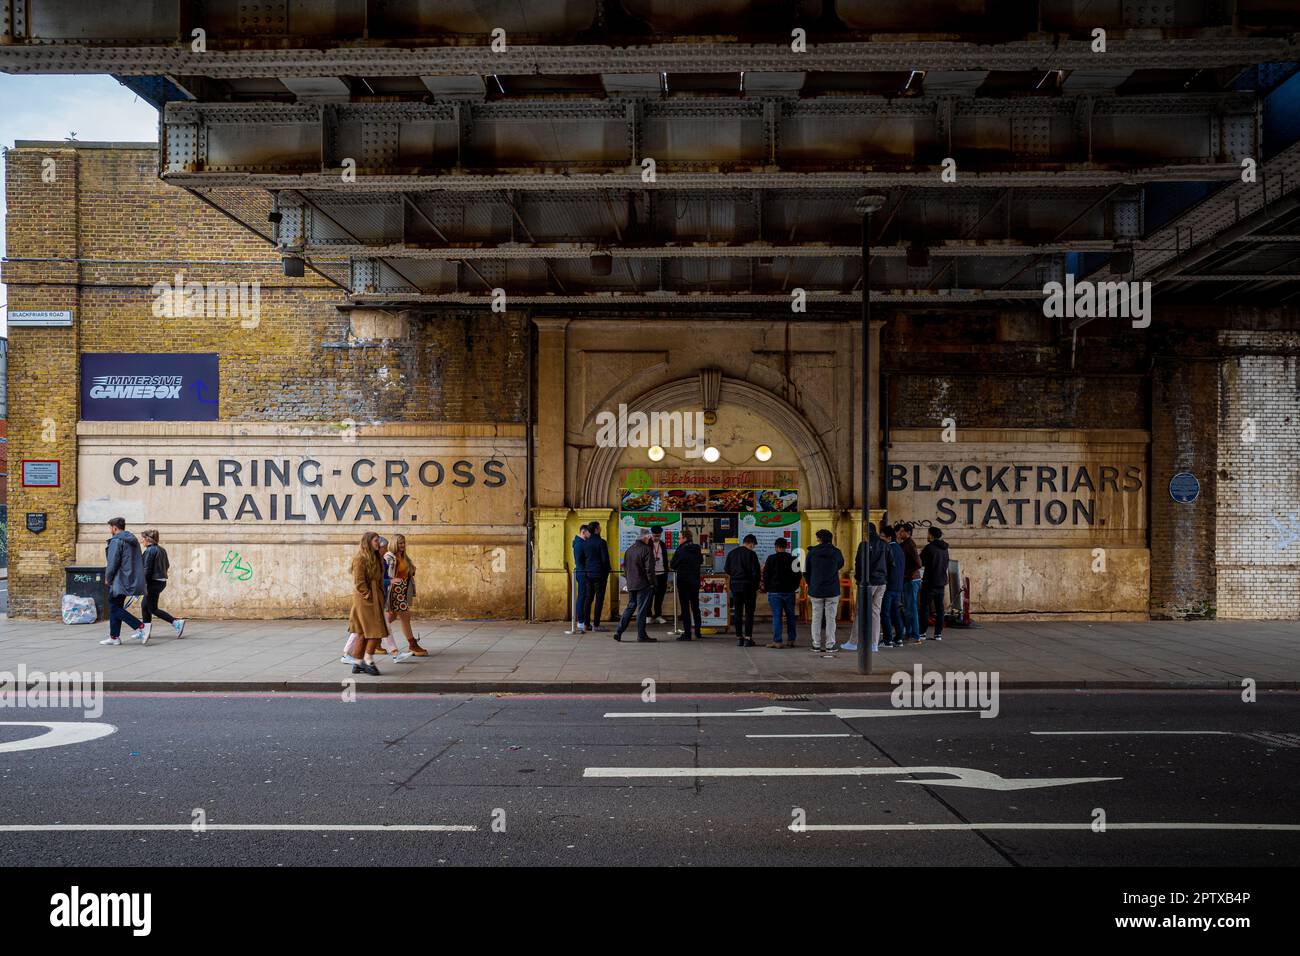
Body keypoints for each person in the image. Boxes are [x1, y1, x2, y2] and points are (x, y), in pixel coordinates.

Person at [347, 531, 390, 674]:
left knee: (363, 633)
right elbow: (359, 582)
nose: (378, 543)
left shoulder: (376, 556)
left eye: (378, 540)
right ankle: (368, 659)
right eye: (376, 540)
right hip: (365, 600)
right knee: (375, 631)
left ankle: (358, 662)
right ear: (368, 542)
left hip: (375, 596)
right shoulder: (360, 559)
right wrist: (368, 595)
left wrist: (379, 595)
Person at [100, 517, 147, 646]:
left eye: (110, 528)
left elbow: (113, 562)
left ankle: (140, 626)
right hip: (129, 578)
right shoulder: (133, 540)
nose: (110, 530)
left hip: (118, 580)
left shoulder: (116, 541)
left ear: (114, 528)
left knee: (113, 607)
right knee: (116, 606)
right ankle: (114, 637)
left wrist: (108, 578)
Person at [384, 534, 426, 661]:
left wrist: (412, 570)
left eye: (403, 543)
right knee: (405, 616)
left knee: (391, 617)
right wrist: (390, 581)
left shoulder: (404, 556)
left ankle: (373, 640)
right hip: (394, 590)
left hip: (402, 589)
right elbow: (383, 574)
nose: (402, 545)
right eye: (400, 543)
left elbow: (406, 572)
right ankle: (412, 644)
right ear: (394, 543)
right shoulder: (389, 557)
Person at [139, 529, 185, 643]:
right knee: (145, 606)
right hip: (160, 581)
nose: (141, 541)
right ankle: (146, 631)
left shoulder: (149, 551)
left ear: (147, 539)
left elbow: (147, 570)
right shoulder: (162, 550)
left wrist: (142, 584)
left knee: (152, 608)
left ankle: (176, 622)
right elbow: (167, 565)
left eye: (143, 538)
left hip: (152, 582)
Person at [614, 529, 657, 642]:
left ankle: (618, 632)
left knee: (630, 607)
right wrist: (652, 583)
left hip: (632, 583)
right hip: (643, 584)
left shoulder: (629, 550)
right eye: (649, 538)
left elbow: (626, 568)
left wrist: (629, 581)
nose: (650, 540)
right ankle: (641, 635)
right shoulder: (647, 549)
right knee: (642, 610)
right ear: (645, 537)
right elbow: (649, 570)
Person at [849, 523, 887, 653]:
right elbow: (891, 562)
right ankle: (874, 644)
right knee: (876, 612)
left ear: (866, 532)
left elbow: (858, 563)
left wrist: (859, 579)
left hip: (867, 583)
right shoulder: (884, 544)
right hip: (881, 582)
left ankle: (855, 641)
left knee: (860, 611)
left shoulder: (864, 545)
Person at [805, 529, 844, 652]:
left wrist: (811, 583)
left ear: (819, 539)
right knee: (831, 618)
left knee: (816, 617)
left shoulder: (812, 552)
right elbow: (840, 564)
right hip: (832, 590)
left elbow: (806, 570)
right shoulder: (836, 552)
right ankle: (830, 644)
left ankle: (816, 644)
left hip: (816, 589)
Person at [761, 536, 801, 648]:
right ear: (786, 546)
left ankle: (777, 641)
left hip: (774, 592)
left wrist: (769, 588)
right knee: (791, 616)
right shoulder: (794, 559)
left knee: (777, 617)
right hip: (789, 592)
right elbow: (798, 576)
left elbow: (765, 575)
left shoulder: (771, 558)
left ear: (776, 547)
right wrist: (793, 587)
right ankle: (791, 640)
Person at [724, 534, 761, 647]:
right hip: (749, 587)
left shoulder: (732, 553)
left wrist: (735, 576)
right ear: (750, 543)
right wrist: (756, 586)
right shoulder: (751, 554)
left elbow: (727, 569)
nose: (753, 547)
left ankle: (739, 637)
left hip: (735, 586)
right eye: (753, 545)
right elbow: (756, 572)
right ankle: (748, 638)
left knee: (738, 612)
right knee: (749, 613)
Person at [669, 528, 704, 641]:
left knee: (685, 608)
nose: (678, 540)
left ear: (684, 538)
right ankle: (698, 632)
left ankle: (687, 634)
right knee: (695, 607)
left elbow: (673, 565)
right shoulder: (697, 548)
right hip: (695, 581)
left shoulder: (681, 550)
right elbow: (700, 561)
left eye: (679, 538)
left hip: (684, 582)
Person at [919, 527, 951, 642]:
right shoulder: (945, 549)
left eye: (928, 534)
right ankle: (938, 633)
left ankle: (922, 632)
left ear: (931, 535)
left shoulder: (929, 548)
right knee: (940, 608)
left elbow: (920, 562)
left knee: (925, 608)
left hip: (929, 582)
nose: (927, 536)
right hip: (941, 582)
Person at [581, 521, 612, 631]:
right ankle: (597, 625)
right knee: (599, 598)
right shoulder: (601, 542)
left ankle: (586, 624)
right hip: (600, 574)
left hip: (588, 573)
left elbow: (582, 559)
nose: (600, 528)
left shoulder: (585, 543)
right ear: (596, 530)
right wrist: (607, 570)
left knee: (588, 598)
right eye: (599, 527)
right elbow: (605, 559)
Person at [897, 522, 924, 644]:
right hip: (909, 579)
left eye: (902, 531)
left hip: (911, 580)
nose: (900, 533)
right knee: (908, 608)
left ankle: (915, 634)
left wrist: (907, 573)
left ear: (908, 532)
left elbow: (918, 563)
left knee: (911, 608)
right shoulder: (905, 544)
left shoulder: (909, 545)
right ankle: (910, 633)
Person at [881, 524, 906, 648]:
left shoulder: (888, 549)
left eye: (882, 537)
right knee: (895, 612)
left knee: (884, 613)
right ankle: (899, 638)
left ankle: (887, 639)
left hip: (888, 585)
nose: (881, 540)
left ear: (889, 538)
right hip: (898, 585)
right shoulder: (899, 549)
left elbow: (886, 567)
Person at [572, 524, 592, 632]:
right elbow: (580, 561)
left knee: (584, 596)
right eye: (588, 533)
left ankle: (583, 620)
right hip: (582, 573)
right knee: (582, 597)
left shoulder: (580, 543)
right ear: (583, 532)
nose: (590, 535)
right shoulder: (580, 544)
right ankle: (580, 621)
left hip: (583, 572)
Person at [649, 526, 671, 624]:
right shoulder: (647, 544)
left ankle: (658, 615)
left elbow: (665, 558)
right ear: (651, 534)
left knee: (660, 596)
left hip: (662, 573)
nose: (656, 537)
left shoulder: (662, 544)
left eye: (658, 536)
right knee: (649, 595)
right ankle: (648, 615)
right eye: (654, 535)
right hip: (651, 574)